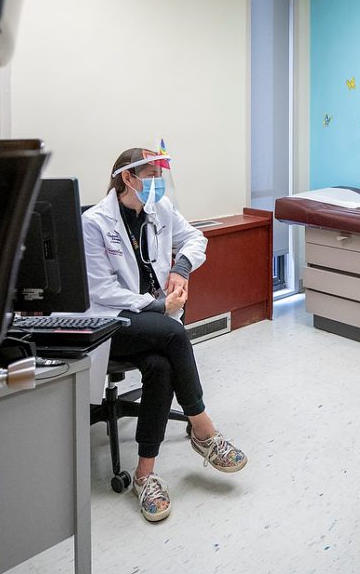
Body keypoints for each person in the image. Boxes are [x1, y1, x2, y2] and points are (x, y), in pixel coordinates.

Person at [82, 147, 247, 522]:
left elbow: (195, 239)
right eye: (152, 176)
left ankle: (144, 474)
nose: (158, 184)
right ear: (128, 178)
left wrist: (183, 268)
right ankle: (203, 430)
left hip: (153, 321)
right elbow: (101, 292)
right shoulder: (94, 222)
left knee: (160, 367)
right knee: (174, 335)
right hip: (113, 322)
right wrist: (158, 307)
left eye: (160, 176)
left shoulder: (161, 209)